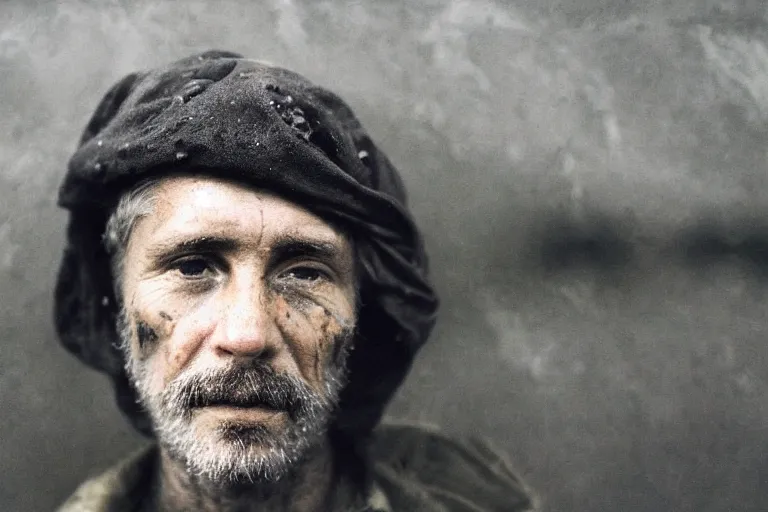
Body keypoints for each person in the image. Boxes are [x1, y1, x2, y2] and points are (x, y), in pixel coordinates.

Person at [54, 50, 535, 512]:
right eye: (193, 266)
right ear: (114, 302)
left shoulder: (477, 497)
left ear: (361, 309)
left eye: (305, 272)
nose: (247, 336)